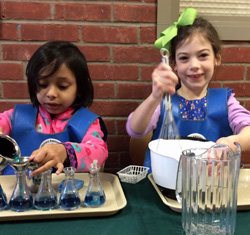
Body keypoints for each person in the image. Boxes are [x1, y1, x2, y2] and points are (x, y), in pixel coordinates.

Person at [126, 8, 250, 170]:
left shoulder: (226, 102)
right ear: (174, 64)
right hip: (165, 185)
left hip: (213, 186)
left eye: (203, 55)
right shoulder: (163, 102)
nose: (194, 65)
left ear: (217, 58)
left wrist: (233, 144)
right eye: (184, 58)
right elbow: (135, 130)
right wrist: (155, 96)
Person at [0, 41, 108, 175]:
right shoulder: (15, 118)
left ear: (79, 88)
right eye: (43, 84)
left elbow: (99, 151)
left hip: (69, 193)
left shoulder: (87, 123)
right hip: (17, 192)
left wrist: (66, 152)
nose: (51, 94)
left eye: (62, 86)